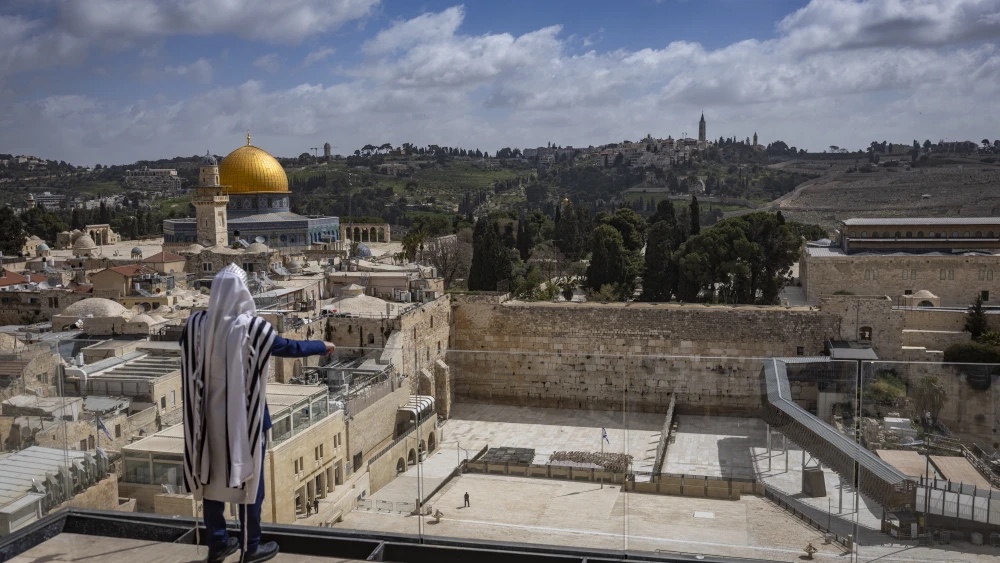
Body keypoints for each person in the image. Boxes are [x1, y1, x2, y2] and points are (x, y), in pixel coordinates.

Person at [181, 264, 334, 563]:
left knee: (209, 474)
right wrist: (322, 345)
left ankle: (218, 542)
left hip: (205, 418)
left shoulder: (195, 324)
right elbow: (288, 347)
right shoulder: (252, 328)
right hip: (245, 418)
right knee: (251, 480)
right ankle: (251, 545)